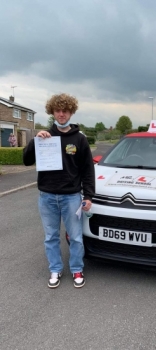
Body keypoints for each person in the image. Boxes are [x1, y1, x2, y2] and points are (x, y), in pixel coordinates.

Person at [23, 93, 95, 288]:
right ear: (52, 112)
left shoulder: (80, 139)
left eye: (65, 110)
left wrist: (88, 195)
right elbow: (26, 160)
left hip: (71, 197)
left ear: (71, 112)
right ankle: (55, 268)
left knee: (76, 237)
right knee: (51, 237)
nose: (61, 114)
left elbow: (88, 170)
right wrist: (35, 141)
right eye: (58, 110)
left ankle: (76, 268)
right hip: (47, 196)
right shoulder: (45, 136)